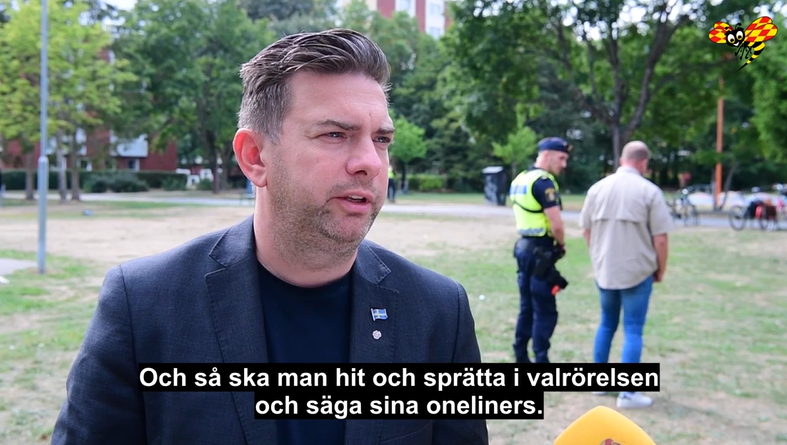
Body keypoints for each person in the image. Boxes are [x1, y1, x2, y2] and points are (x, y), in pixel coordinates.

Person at [51, 29, 488, 445]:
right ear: (255, 156)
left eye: (381, 139)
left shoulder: (437, 311)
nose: (370, 163)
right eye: (335, 134)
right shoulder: (144, 305)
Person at [578, 141, 673, 409]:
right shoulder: (649, 191)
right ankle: (628, 393)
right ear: (643, 163)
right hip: (637, 270)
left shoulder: (597, 188)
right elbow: (661, 239)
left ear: (622, 159)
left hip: (605, 269)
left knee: (606, 324)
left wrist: (598, 256)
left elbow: (586, 230)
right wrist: (660, 268)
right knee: (633, 329)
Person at [509, 137, 571, 364]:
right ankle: (541, 358)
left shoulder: (520, 179)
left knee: (526, 306)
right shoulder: (544, 182)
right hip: (541, 253)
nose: (564, 164)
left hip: (523, 249)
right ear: (547, 155)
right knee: (545, 309)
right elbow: (556, 225)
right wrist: (561, 244)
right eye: (561, 158)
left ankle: (521, 354)